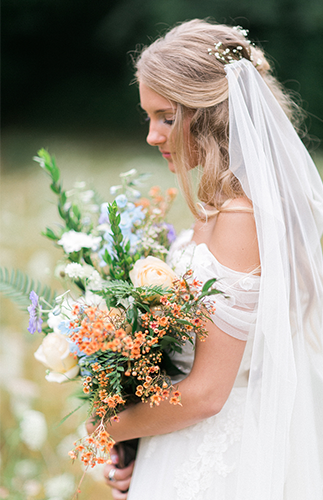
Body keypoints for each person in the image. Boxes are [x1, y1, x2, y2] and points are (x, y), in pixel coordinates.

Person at [87, 19, 323, 500]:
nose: (152, 135)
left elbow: (207, 394)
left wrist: (110, 426)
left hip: (218, 461)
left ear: (213, 115)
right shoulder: (229, 207)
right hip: (180, 442)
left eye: (166, 117)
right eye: (147, 117)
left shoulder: (241, 218)